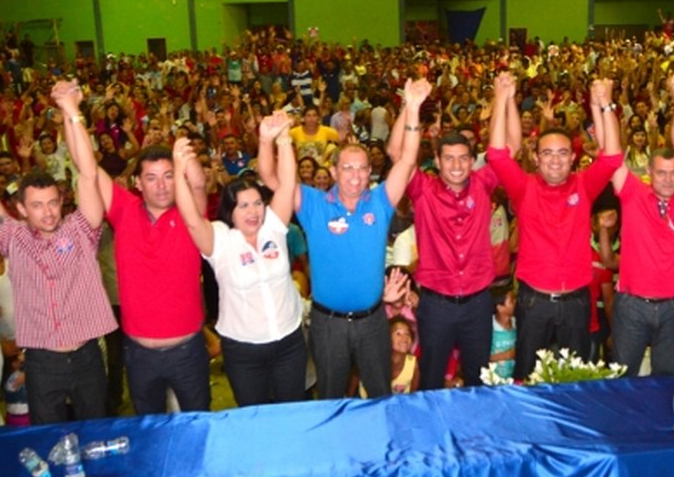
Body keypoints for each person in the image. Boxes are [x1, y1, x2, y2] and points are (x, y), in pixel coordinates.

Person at [262, 77, 431, 399]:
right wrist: (268, 139)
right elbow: (272, 178)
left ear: (370, 174)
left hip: (372, 322)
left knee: (380, 394)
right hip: (329, 325)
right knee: (331, 396)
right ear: (335, 171)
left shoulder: (380, 202)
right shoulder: (313, 204)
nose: (355, 175)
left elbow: (408, 160)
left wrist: (412, 108)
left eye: (362, 169)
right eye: (348, 168)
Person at [0, 81, 117, 424]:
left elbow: (89, 174)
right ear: (20, 209)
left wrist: (71, 112)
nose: (47, 212)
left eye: (52, 203)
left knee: (96, 433)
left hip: (87, 355)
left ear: (61, 201)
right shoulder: (12, 239)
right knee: (48, 439)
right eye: (37, 205)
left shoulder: (81, 230)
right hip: (42, 361)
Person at [58, 79, 212, 416]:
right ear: (137, 183)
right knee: (149, 434)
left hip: (187, 350)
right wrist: (72, 112)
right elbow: (86, 166)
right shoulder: (125, 210)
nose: (161, 185)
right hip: (139, 352)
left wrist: (186, 159)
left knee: (199, 429)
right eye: (152, 177)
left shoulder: (190, 216)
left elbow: (199, 184)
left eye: (169, 176)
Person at [385, 71, 519, 390]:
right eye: (449, 159)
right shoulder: (423, 189)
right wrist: (410, 105)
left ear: (473, 161)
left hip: (477, 303)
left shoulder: (483, 184)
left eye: (463, 159)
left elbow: (511, 147)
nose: (457, 165)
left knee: (476, 377)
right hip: (436, 305)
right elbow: (395, 153)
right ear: (437, 161)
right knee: (432, 378)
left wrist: (508, 99)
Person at [486, 75, 622, 380]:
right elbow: (496, 154)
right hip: (534, 302)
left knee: (573, 379)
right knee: (527, 377)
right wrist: (501, 99)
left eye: (563, 153)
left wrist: (605, 104)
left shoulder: (584, 185)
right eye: (547, 153)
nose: (556, 161)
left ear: (574, 158)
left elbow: (612, 157)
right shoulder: (524, 187)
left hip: (576, 302)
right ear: (535, 158)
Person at [173, 111, 306, 405]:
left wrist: (282, 138)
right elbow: (192, 220)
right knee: (254, 419)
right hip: (243, 351)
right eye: (243, 205)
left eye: (257, 202)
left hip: (288, 342)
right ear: (230, 210)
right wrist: (179, 171)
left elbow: (286, 184)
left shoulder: (273, 225)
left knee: (292, 413)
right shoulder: (220, 238)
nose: (253, 211)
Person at [610, 74, 674, 377]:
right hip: (632, 305)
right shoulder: (632, 195)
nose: (668, 179)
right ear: (649, 173)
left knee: (667, 378)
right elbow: (614, 157)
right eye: (661, 173)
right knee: (623, 378)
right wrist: (605, 107)